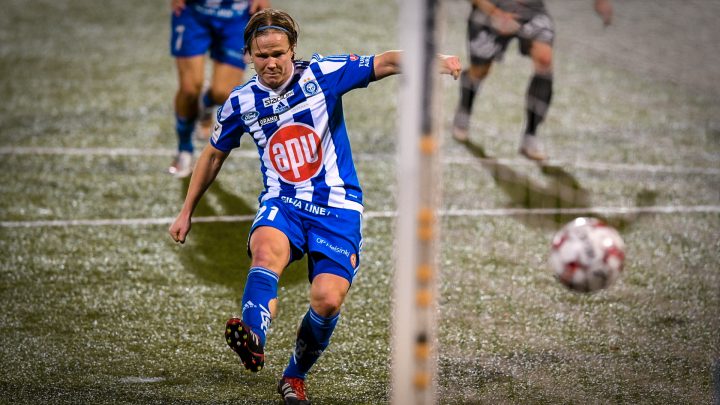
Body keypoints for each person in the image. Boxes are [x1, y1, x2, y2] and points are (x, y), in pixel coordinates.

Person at [168, 8, 461, 404]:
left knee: (327, 299)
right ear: (249, 56)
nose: (271, 63)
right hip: (282, 202)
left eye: (278, 54)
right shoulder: (241, 102)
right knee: (266, 250)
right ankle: (253, 336)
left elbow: (388, 61)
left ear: (293, 50)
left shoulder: (322, 75)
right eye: (261, 56)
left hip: (338, 208)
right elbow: (213, 155)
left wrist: (434, 62)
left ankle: (294, 376)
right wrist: (188, 210)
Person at [451, 0, 613, 161]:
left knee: (544, 60)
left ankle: (531, 135)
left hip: (532, 10)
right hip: (490, 9)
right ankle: (465, 107)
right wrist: (495, 13)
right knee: (479, 71)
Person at [168, 0, 270, 178]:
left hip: (236, 15)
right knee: (190, 88)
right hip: (194, 13)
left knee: (223, 93)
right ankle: (184, 149)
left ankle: (206, 104)